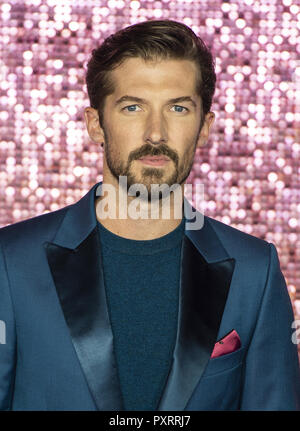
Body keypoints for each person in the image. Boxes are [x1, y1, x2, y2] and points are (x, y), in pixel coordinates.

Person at [0, 19, 299, 411]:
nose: (155, 133)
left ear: (204, 126)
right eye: (132, 106)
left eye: (177, 107)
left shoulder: (255, 270)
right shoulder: (10, 261)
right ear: (95, 124)